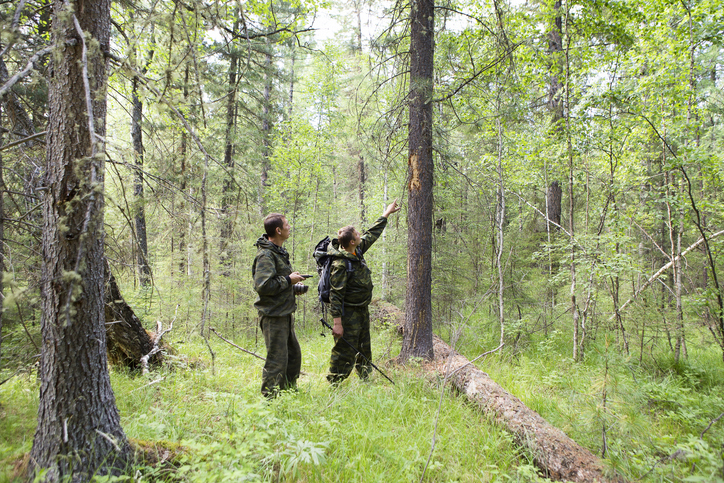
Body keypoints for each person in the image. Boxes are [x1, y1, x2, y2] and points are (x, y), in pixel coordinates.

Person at [326, 200, 401, 384]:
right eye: (358, 234)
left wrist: (386, 213)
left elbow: (372, 233)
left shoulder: (356, 251)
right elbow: (335, 295)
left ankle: (366, 379)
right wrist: (337, 323)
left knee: (364, 346)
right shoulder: (341, 264)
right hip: (347, 313)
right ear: (352, 241)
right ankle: (335, 382)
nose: (361, 235)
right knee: (345, 348)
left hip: (361, 310)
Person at [252, 213, 306, 398]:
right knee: (276, 361)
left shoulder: (278, 252)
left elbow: (277, 283)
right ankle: (269, 401)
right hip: (273, 316)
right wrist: (288, 280)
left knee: (293, 358)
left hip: (284, 314)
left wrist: (293, 286)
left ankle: (288, 394)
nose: (289, 227)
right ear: (278, 230)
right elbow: (263, 286)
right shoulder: (266, 255)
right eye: (287, 224)